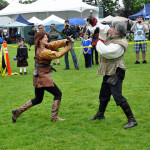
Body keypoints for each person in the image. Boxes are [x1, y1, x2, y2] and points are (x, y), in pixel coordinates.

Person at [12, 31, 74, 123]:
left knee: (38, 99)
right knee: (58, 94)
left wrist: (66, 41)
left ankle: (17, 111)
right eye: (45, 37)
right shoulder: (43, 51)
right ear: (40, 40)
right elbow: (57, 55)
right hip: (43, 77)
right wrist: (68, 47)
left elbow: (53, 44)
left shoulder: (42, 47)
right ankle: (54, 117)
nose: (47, 39)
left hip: (38, 76)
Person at [88, 19, 137, 129]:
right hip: (109, 71)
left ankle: (132, 120)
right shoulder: (113, 37)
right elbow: (102, 28)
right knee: (104, 93)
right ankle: (100, 114)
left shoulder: (120, 43)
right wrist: (93, 22)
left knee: (118, 97)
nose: (110, 29)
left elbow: (106, 52)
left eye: (112, 27)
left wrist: (96, 40)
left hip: (116, 72)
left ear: (117, 32)